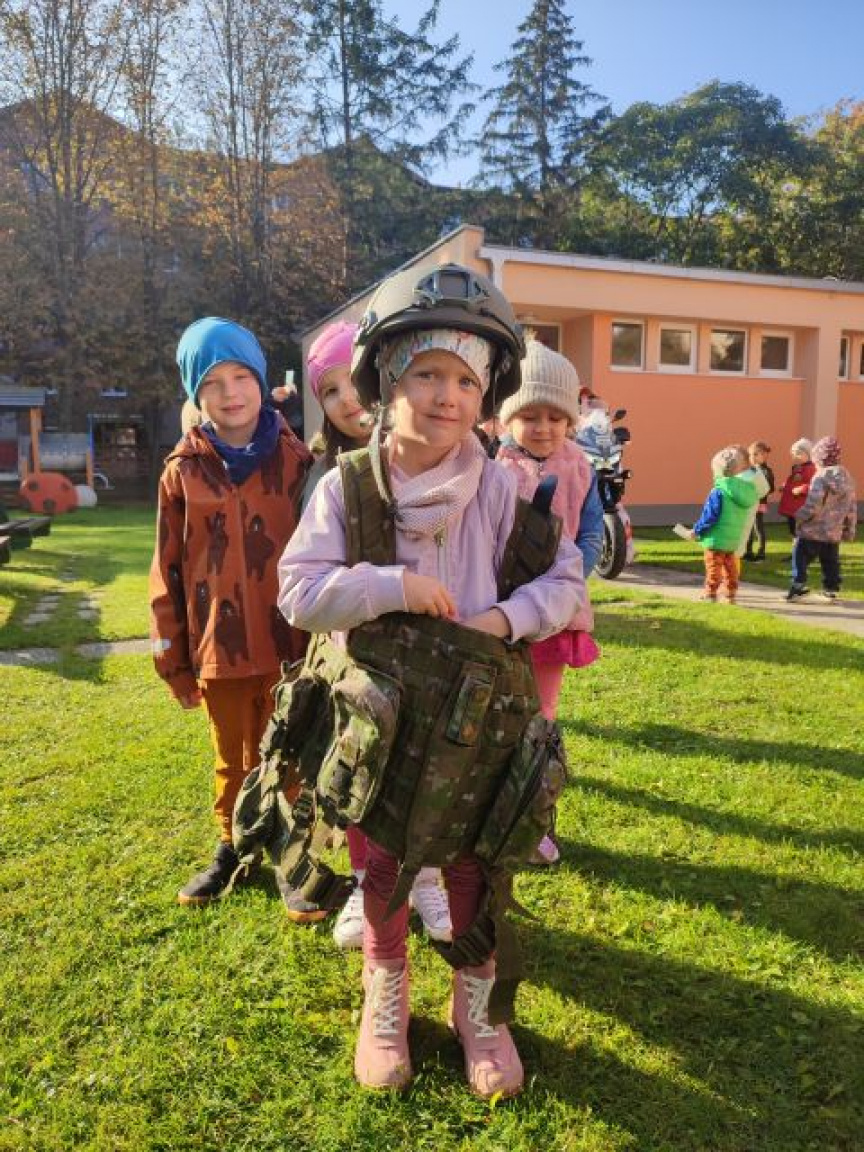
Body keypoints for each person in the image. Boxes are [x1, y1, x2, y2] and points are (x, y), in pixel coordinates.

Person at [278, 264, 584, 1097]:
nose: (447, 395)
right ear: (386, 379)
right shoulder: (347, 488)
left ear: (486, 396)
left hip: (481, 725)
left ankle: (477, 1007)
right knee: (383, 866)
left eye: (466, 380)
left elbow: (568, 582)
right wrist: (391, 587)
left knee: (476, 868)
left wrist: (506, 620)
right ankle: (385, 995)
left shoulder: (507, 491)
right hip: (380, 729)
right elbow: (298, 590)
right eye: (427, 374)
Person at [300, 320, 452, 949]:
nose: (347, 400)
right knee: (364, 771)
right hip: (361, 659)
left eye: (352, 382)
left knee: (427, 773)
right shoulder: (330, 478)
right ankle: (367, 881)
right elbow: (309, 580)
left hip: (434, 655)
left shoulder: (439, 457)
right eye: (330, 391)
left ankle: (428, 879)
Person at [150, 317, 311, 905]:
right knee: (232, 758)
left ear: (262, 382)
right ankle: (232, 846)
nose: (230, 392)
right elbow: (166, 570)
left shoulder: (297, 461)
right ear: (196, 395)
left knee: (288, 754)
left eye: (241, 376)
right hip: (218, 646)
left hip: (291, 644)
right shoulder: (181, 472)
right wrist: (173, 660)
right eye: (212, 382)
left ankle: (292, 854)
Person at [494, 339, 603, 865]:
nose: (543, 428)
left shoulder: (581, 468)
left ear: (570, 420)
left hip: (555, 619)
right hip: (499, 613)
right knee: (495, 717)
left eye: (555, 417)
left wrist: (569, 581)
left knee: (541, 718)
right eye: (530, 416)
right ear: (507, 418)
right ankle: (486, 816)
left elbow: (591, 533)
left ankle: (535, 819)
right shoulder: (492, 466)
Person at [787, 436, 857, 601]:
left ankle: (798, 586)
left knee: (800, 554)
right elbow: (851, 508)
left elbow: (813, 504)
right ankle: (831, 589)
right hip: (833, 531)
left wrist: (800, 516)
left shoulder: (820, 477)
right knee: (831, 560)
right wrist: (849, 530)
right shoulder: (847, 479)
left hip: (812, 530)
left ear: (819, 458)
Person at [689, 445, 759, 603]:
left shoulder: (719, 491)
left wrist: (696, 530)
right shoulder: (744, 489)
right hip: (732, 539)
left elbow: (710, 516)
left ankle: (710, 594)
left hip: (715, 538)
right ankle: (730, 594)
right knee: (730, 567)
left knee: (713, 567)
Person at [742, 441, 775, 561]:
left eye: (756, 454)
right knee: (748, 527)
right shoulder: (749, 470)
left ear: (765, 455)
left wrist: (760, 490)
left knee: (758, 528)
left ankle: (761, 553)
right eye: (751, 455)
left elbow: (770, 488)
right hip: (749, 503)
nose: (753, 457)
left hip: (759, 503)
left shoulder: (766, 471)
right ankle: (748, 552)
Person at [777, 438, 816, 537]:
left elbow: (814, 485)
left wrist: (802, 489)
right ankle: (795, 543)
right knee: (792, 528)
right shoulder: (797, 467)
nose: (795, 456)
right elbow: (792, 481)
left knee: (800, 529)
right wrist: (785, 486)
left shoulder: (812, 469)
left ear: (809, 454)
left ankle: (799, 544)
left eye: (798, 453)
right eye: (793, 454)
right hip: (792, 504)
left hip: (800, 505)